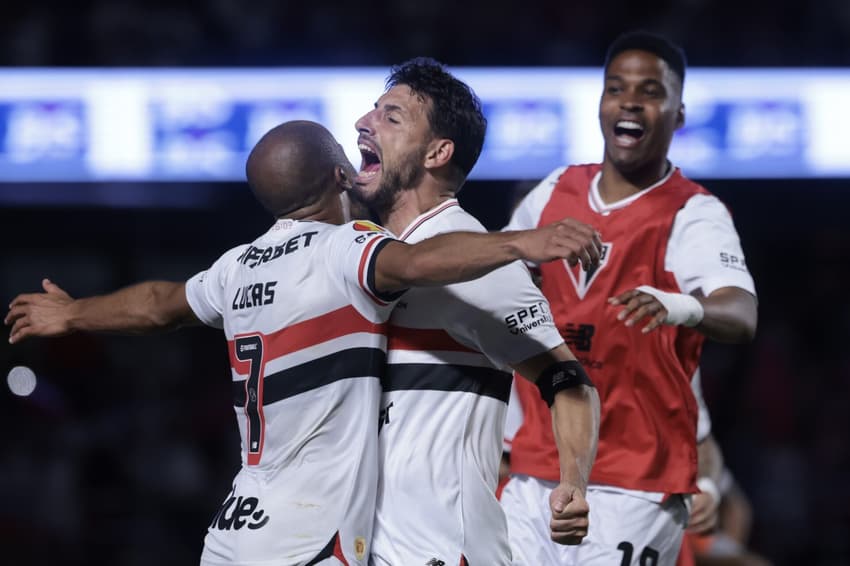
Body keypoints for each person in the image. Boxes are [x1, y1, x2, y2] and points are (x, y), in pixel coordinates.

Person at [5, 120, 604, 566]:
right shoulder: (344, 249)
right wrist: (523, 242)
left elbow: (160, 304)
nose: (363, 133)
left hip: (237, 528)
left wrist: (76, 311)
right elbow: (423, 261)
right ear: (341, 176)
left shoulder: (236, 267)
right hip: (310, 539)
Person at [500, 30, 759, 566]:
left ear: (677, 113)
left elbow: (741, 313)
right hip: (533, 474)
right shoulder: (554, 191)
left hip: (636, 485)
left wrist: (680, 305)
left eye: (650, 90)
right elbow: (492, 284)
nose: (630, 102)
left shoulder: (693, 213)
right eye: (616, 88)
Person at [348, 58, 601, 566]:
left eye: (392, 117)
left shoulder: (481, 263)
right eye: (373, 111)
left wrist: (573, 480)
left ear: (439, 152)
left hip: (442, 551)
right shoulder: (366, 254)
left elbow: (569, 382)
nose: (363, 122)